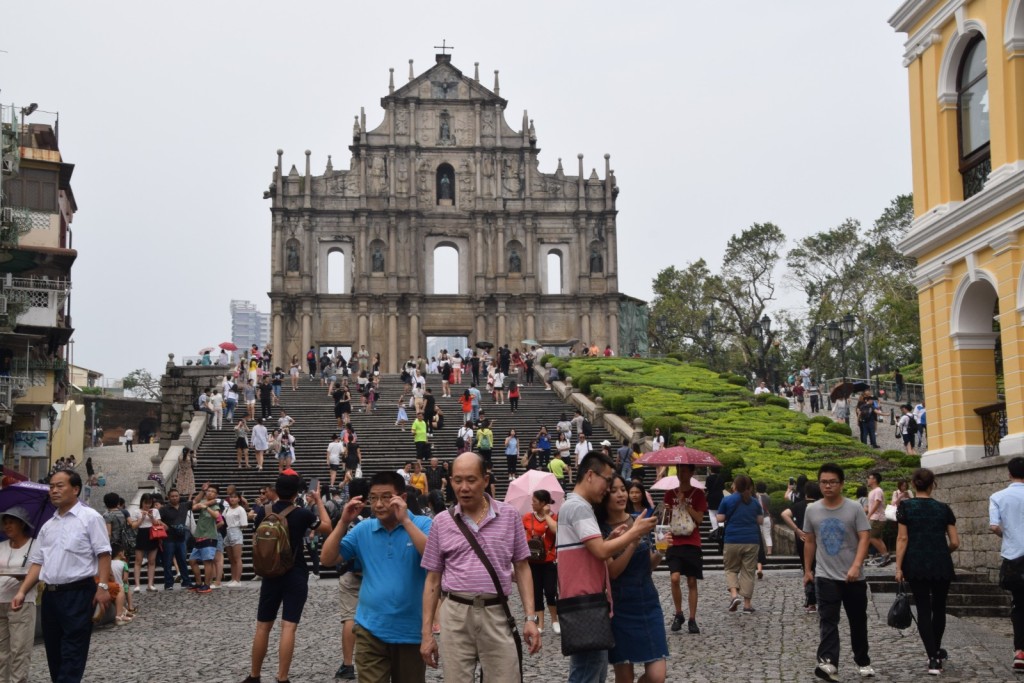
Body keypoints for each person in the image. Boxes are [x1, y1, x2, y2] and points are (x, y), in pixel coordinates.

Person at [420, 452, 542, 683]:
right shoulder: (441, 522)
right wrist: (427, 634)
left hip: (496, 611)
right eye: (457, 480)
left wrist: (530, 618)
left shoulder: (509, 516)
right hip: (455, 612)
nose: (463, 487)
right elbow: (432, 580)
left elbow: (523, 567)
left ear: (485, 480)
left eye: (471, 480)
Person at [321, 471, 431, 683]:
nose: (379, 504)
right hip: (370, 629)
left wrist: (406, 521)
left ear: (402, 498)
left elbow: (432, 556)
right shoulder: (364, 529)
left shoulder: (423, 524)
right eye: (373, 498)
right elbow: (327, 558)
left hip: (410, 631)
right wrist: (343, 522)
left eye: (386, 497)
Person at [557, 452, 657, 683]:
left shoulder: (573, 505)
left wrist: (611, 538)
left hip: (582, 602)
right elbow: (601, 552)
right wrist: (635, 532)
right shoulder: (579, 507)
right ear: (590, 475)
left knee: (590, 671)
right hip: (586, 602)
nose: (608, 487)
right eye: (607, 479)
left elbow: (593, 549)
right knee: (588, 674)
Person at [11, 471, 113, 683]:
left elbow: (103, 553)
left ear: (75, 489)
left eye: (59, 486)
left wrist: (102, 586)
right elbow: (38, 563)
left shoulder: (90, 518)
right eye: (51, 487)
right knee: (54, 653)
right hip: (51, 595)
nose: (54, 491)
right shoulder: (48, 526)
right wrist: (22, 591)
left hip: (78, 593)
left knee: (72, 652)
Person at [242, 474, 331, 683]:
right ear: (296, 493)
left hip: (270, 573)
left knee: (263, 626)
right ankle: (282, 677)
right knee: (288, 626)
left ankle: (254, 675)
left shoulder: (263, 513)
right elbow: (327, 527)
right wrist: (318, 500)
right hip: (295, 572)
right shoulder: (302, 514)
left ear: (275, 490)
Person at [803, 463, 874, 681]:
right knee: (828, 620)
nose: (828, 486)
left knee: (857, 621)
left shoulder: (854, 508)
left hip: (854, 576)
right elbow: (810, 541)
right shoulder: (811, 509)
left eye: (833, 481)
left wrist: (856, 565)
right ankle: (828, 663)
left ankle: (863, 661)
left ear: (841, 484)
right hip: (826, 575)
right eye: (824, 482)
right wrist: (808, 570)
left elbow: (865, 537)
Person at [597, 474, 668, 683]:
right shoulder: (601, 529)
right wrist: (633, 541)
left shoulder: (638, 519)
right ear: (604, 496)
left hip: (647, 601)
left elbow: (648, 566)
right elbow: (613, 572)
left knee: (657, 677)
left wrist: (662, 552)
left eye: (623, 489)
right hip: (619, 605)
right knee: (624, 678)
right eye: (614, 490)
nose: (621, 494)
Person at [894, 468, 959, 675]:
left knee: (923, 608)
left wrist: (898, 566)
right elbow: (955, 542)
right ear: (933, 484)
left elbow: (902, 539)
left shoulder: (905, 507)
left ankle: (932, 658)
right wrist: (942, 551)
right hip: (941, 564)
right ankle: (937, 649)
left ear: (914, 484)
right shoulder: (943, 508)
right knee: (939, 607)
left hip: (916, 563)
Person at [989, 455, 1024, 672]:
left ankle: (1020, 652)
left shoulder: (997, 496)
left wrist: (1007, 535)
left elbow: (994, 526)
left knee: (1019, 606)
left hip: (1013, 559)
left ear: (1009, 473)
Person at [663, 463, 706, 634]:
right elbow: (665, 519)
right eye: (679, 470)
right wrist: (666, 511)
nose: (681, 473)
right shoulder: (669, 493)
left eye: (685, 470)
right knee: (674, 578)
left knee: (691, 581)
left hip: (692, 542)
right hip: (674, 541)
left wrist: (685, 504)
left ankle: (692, 619)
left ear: (692, 472)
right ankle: (679, 613)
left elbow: (700, 519)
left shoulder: (698, 494)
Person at [0, 506, 37, 683]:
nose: (7, 526)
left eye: (11, 523)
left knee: (19, 651)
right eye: (5, 523)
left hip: (22, 603)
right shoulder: (1, 546)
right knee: (1, 654)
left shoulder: (34, 546)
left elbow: (38, 572)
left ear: (22, 524)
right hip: (0, 600)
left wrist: (23, 576)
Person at [717, 474, 762, 614]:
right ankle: (747, 605)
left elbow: (720, 518)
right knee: (748, 572)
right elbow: (760, 521)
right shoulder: (754, 502)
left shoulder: (727, 500)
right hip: (752, 540)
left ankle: (734, 596)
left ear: (735, 486)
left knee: (731, 569)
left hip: (732, 539)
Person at [523, 490, 559, 633]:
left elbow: (555, 530)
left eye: (535, 501)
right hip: (532, 561)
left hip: (549, 561)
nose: (532, 504)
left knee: (550, 591)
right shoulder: (526, 517)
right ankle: (540, 624)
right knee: (536, 592)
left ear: (544, 503)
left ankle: (555, 620)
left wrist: (547, 515)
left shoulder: (554, 517)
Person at [781, 482, 821, 613]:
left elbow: (784, 514)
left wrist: (797, 530)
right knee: (819, 568)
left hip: (803, 539)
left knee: (807, 568)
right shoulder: (821, 505)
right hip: (819, 540)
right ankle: (822, 598)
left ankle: (811, 602)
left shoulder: (798, 505)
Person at [160, 488, 194, 591]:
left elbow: (195, 501)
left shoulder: (184, 506)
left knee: (183, 561)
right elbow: (156, 519)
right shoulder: (164, 509)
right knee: (168, 561)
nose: (175, 498)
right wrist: (163, 524)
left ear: (179, 496)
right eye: (172, 496)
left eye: (176, 496)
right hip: (168, 539)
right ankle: (168, 583)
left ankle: (186, 581)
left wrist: (202, 491)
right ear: (168, 498)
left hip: (181, 538)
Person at [130, 493, 163, 592]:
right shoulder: (136, 511)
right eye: (145, 503)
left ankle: (150, 584)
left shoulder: (155, 510)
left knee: (152, 561)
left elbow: (158, 523)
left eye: (149, 503)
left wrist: (152, 517)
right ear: (142, 502)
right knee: (138, 561)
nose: (147, 505)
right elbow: (134, 526)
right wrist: (142, 518)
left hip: (152, 534)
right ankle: (137, 585)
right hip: (141, 534)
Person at [865, 472, 890, 567]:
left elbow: (877, 503)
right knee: (877, 538)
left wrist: (869, 515)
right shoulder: (872, 491)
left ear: (874, 479)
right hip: (875, 517)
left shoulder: (878, 491)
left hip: (877, 518)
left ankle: (885, 555)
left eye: (869, 477)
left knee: (872, 537)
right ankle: (886, 556)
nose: (867, 479)